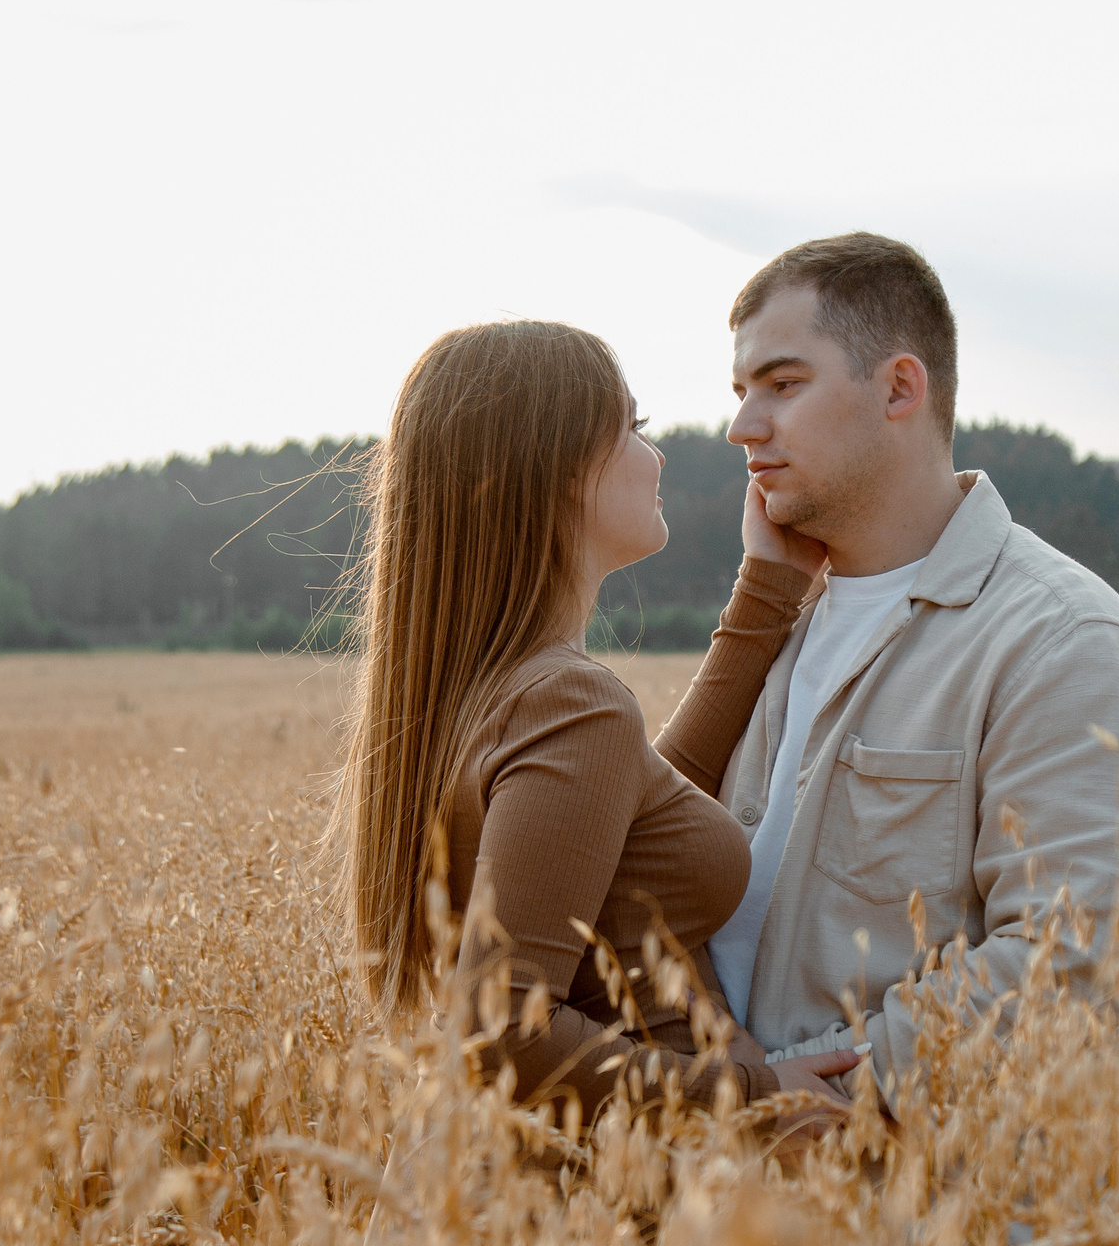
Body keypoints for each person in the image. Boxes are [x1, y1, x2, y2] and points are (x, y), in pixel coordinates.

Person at [693, 233, 1119, 1099]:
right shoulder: (783, 620)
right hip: (731, 1204)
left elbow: (1066, 971)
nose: (742, 426)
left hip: (919, 1210)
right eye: (741, 393)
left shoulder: (1064, 642)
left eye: (782, 384)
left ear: (899, 387)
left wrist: (781, 1100)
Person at [335, 319, 859, 1126]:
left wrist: (767, 588)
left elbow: (628, 819)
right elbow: (501, 1033)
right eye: (632, 429)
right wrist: (757, 1095)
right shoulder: (568, 702)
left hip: (520, 1209)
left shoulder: (501, 691)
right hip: (583, 1217)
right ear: (550, 470)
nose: (657, 455)